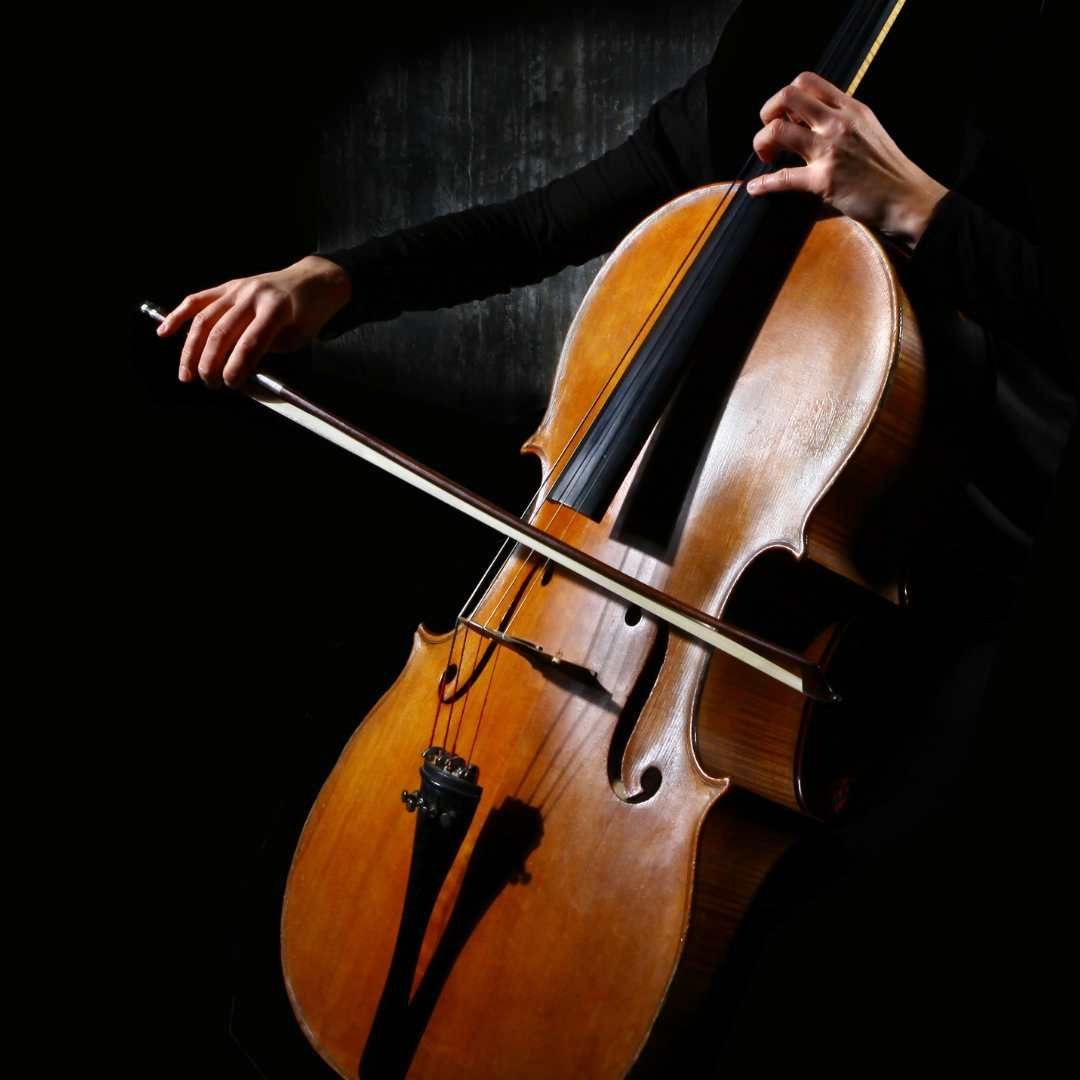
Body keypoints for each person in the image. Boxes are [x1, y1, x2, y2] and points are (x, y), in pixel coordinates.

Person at [155, 0, 1074, 1061]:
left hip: (963, 584)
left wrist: (921, 209)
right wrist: (332, 280)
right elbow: (550, 222)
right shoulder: (801, 25)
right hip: (697, 602)